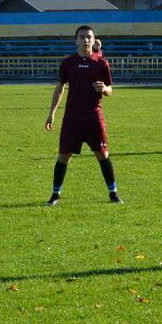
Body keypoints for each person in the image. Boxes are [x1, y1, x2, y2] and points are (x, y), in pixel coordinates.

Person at [44, 25, 122, 206]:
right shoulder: (68, 63)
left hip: (93, 116)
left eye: (88, 37)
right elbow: (59, 89)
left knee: (102, 154)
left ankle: (113, 193)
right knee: (64, 156)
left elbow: (110, 90)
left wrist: (104, 89)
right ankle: (55, 195)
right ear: (76, 40)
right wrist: (52, 113)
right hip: (72, 117)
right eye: (82, 37)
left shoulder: (101, 63)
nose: (85, 40)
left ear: (94, 41)